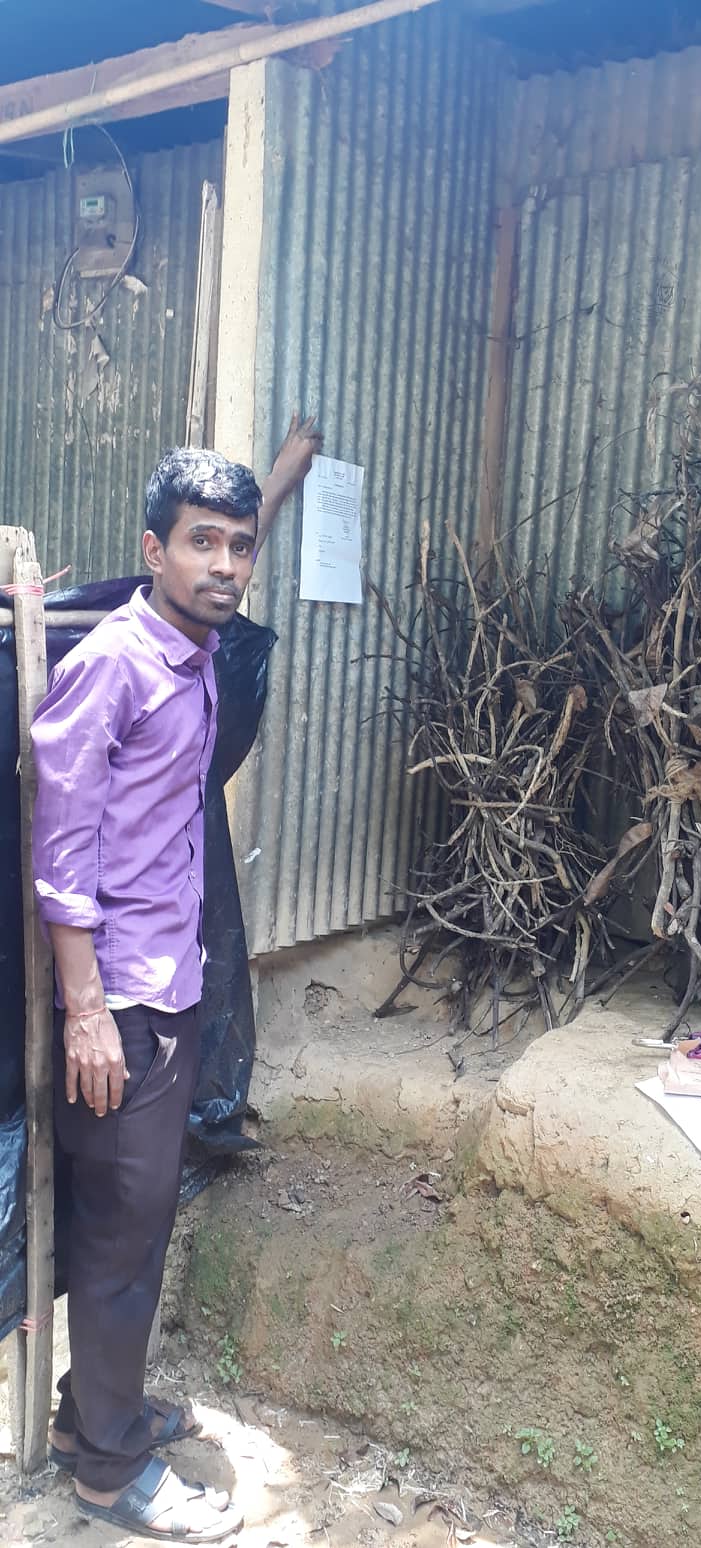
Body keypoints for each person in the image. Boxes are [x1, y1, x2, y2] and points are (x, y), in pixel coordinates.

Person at [30, 415, 322, 1543]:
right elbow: (61, 853)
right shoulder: (114, 665)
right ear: (153, 551)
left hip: (173, 981)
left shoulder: (197, 655)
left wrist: (279, 477)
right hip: (123, 1007)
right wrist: (88, 1013)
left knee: (138, 1226)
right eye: (203, 542)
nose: (226, 565)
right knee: (117, 1237)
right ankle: (109, 1474)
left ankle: (88, 1415)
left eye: (240, 545)